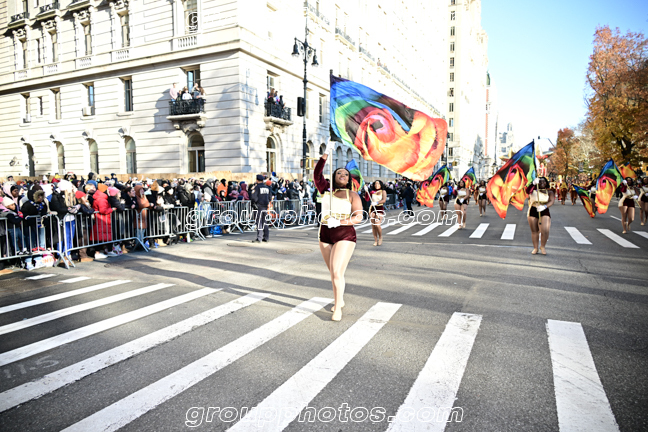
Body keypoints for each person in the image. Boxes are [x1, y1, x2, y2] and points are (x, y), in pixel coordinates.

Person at [314, 142, 364, 322]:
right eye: (339, 173)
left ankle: (337, 308)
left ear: (349, 179)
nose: (342, 175)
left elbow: (358, 217)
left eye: (346, 174)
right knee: (335, 272)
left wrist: (340, 222)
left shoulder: (353, 195)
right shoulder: (325, 190)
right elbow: (317, 174)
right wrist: (326, 153)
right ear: (334, 176)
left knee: (336, 272)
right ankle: (340, 299)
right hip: (324, 233)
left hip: (345, 234)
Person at [526, 177, 555, 255]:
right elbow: (527, 191)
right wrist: (533, 184)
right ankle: (535, 248)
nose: (542, 183)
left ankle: (542, 246)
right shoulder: (533, 190)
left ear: (546, 183)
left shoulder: (549, 192)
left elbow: (551, 201)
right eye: (540, 181)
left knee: (545, 230)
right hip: (533, 209)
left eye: (544, 181)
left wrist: (544, 206)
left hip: (544, 210)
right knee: (534, 231)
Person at [251, 174, 272, 243]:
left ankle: (259, 238)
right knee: (264, 222)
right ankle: (266, 237)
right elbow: (270, 197)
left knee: (259, 222)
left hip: (259, 207)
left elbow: (253, 197)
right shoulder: (267, 188)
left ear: (257, 180)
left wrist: (255, 203)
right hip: (265, 206)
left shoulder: (257, 188)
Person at [368, 181, 386, 246]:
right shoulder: (372, 192)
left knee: (377, 225)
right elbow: (367, 198)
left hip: (379, 208)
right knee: (373, 226)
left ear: (381, 185)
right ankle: (375, 240)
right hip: (372, 208)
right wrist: (366, 191)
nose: (376, 184)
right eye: (375, 183)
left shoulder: (383, 191)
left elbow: (384, 200)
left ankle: (380, 237)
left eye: (378, 183)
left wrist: (377, 202)